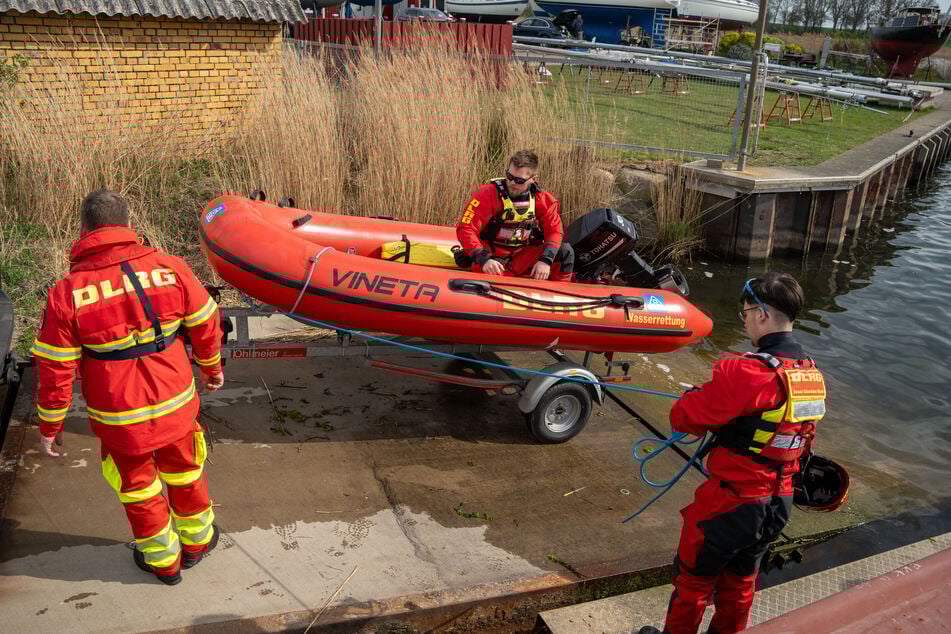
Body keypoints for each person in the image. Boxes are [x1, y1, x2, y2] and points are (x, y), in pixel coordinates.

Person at [31, 189, 224, 586]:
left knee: (139, 490)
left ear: (84, 229)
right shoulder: (169, 267)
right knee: (187, 471)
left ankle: (163, 564)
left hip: (120, 416)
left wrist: (51, 426)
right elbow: (206, 319)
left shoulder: (66, 294)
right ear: (129, 224)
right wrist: (211, 367)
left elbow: (55, 371)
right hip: (177, 400)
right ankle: (199, 542)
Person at [639, 272, 827, 634]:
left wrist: (696, 394)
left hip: (730, 503)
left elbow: (685, 417)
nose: (745, 323)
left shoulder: (745, 372)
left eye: (744, 315)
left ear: (760, 314)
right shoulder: (811, 375)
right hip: (778, 502)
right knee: (741, 584)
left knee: (693, 585)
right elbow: (799, 436)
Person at [455, 150, 574, 282]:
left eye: (519, 180)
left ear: (533, 179)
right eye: (509, 177)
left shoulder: (543, 200)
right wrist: (484, 258)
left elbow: (555, 231)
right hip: (492, 257)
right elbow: (466, 228)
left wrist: (545, 261)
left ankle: (559, 294)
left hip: (521, 255)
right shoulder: (486, 195)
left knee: (565, 251)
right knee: (492, 276)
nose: (512, 183)